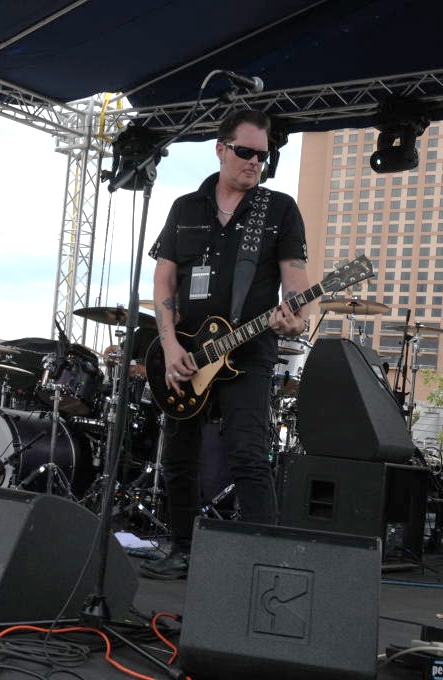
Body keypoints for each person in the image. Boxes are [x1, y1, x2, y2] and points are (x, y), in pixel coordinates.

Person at [142, 109, 310, 579]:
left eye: (263, 155)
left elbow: (296, 285)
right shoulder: (185, 208)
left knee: (249, 455)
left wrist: (295, 319)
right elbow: (164, 280)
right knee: (178, 457)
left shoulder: (279, 209)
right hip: (187, 352)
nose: (255, 162)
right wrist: (170, 347)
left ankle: (263, 563)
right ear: (220, 149)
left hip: (248, 351)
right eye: (245, 152)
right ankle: (181, 549)